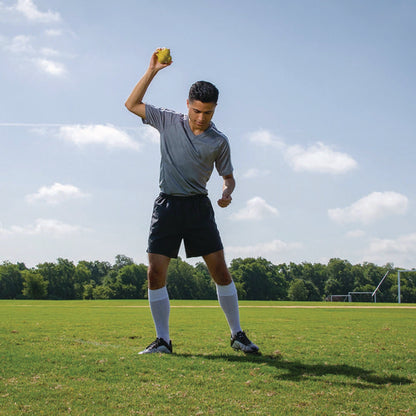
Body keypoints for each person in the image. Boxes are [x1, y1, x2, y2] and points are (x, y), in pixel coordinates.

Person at [125, 48, 259, 355]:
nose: (201, 118)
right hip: (167, 205)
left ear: (215, 110)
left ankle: (237, 335)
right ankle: (163, 341)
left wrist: (227, 192)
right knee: (155, 273)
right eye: (197, 111)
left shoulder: (218, 141)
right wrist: (153, 71)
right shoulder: (168, 121)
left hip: (199, 206)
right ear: (188, 105)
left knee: (220, 272)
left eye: (208, 112)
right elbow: (131, 104)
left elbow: (228, 176)